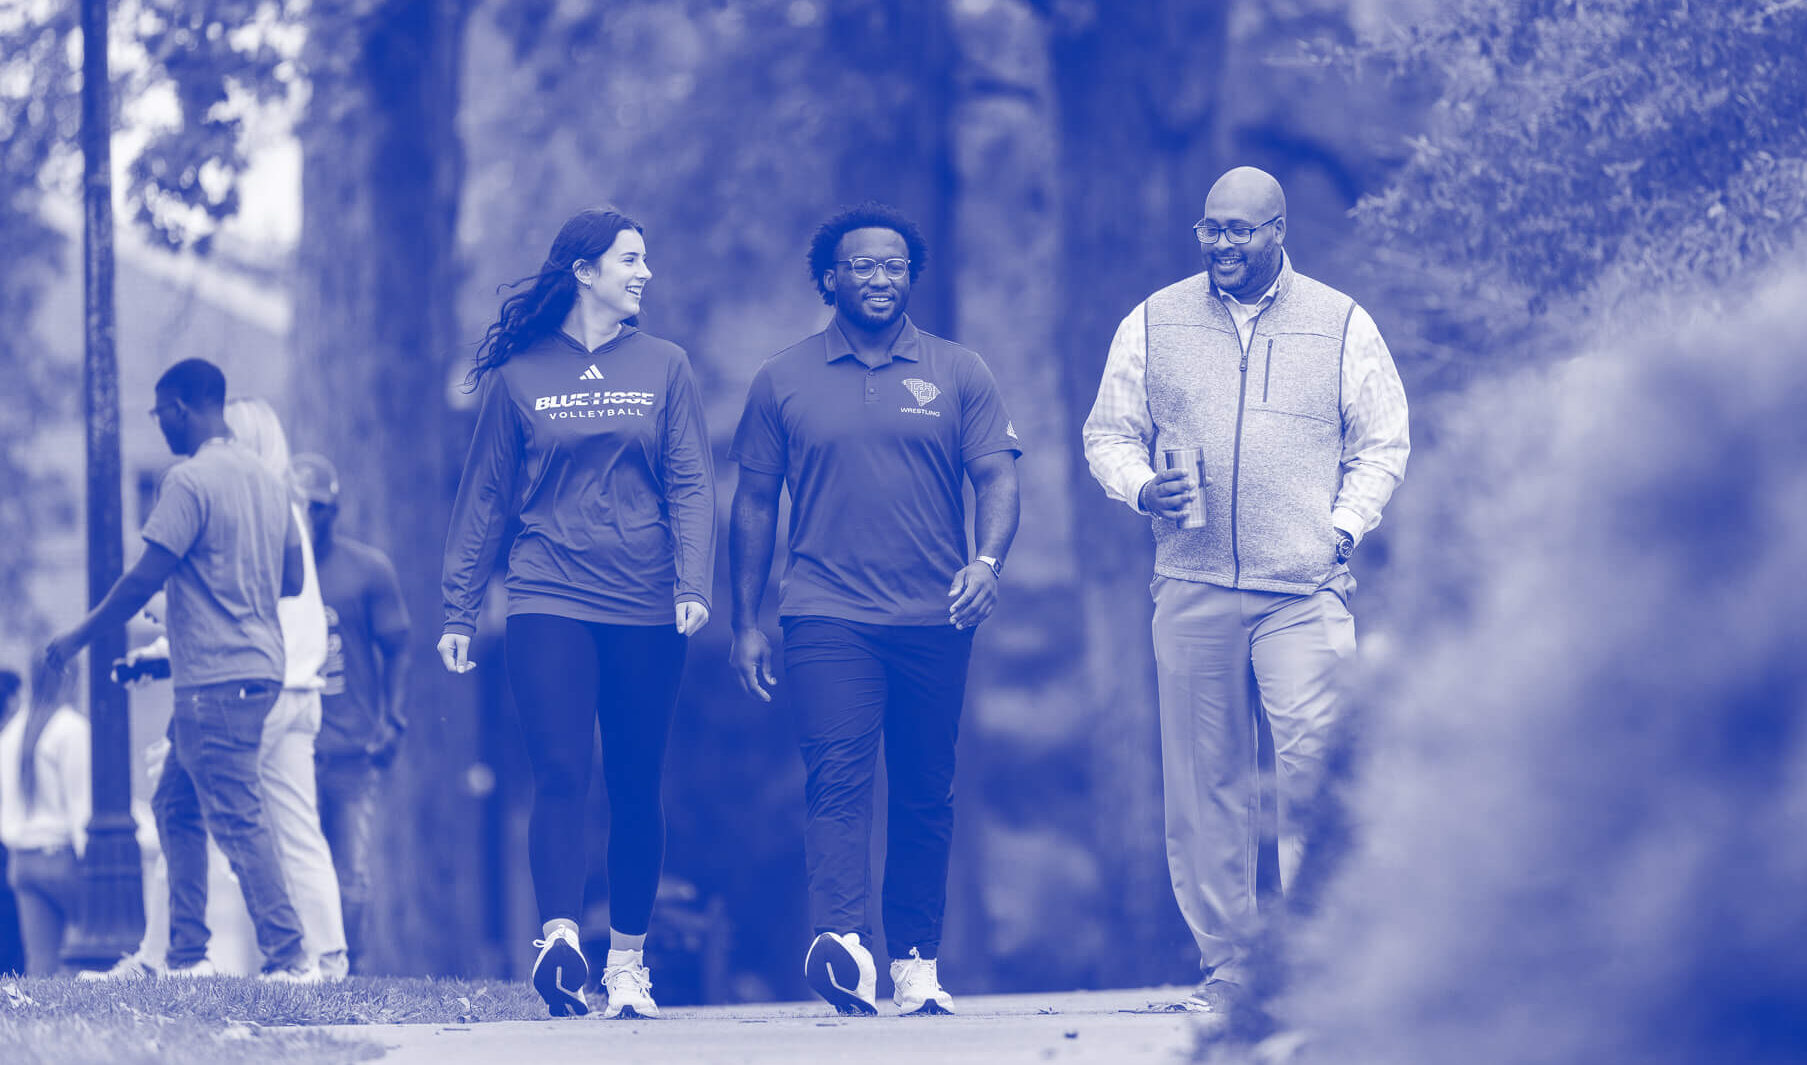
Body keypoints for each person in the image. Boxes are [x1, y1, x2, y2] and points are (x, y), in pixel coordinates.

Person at [1081, 166, 1411, 1012]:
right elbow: (1107, 434)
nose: (1221, 243)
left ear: (1277, 231)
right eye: (1210, 228)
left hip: (1304, 588)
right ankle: (1230, 968)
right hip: (1190, 585)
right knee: (1204, 786)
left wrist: (1341, 529)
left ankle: (1317, 966)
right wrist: (1140, 487)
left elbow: (1383, 442)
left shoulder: (1341, 322)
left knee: (1315, 772)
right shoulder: (1152, 320)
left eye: (1239, 229)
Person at [728, 201, 1021, 1017]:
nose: (880, 278)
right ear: (831, 279)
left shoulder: (959, 370)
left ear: (911, 276)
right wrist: (745, 619)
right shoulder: (782, 377)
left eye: (895, 265)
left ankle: (916, 960)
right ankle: (843, 942)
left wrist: (987, 563)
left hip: (936, 614)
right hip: (825, 612)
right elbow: (753, 502)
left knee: (926, 789)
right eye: (862, 265)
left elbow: (997, 476)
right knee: (838, 777)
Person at [440, 208, 715, 1019]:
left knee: (634, 780)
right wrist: (459, 607)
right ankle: (559, 941)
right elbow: (484, 496)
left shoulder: (666, 365)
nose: (645, 272)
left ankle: (627, 963)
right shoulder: (519, 375)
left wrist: (693, 580)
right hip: (546, 593)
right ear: (583, 272)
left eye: (645, 258)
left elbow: (691, 480)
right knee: (560, 771)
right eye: (631, 259)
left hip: (646, 600)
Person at [41, 357, 318, 982]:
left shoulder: (188, 482)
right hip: (258, 669)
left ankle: (289, 957)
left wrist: (78, 635)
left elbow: (144, 579)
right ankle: (188, 956)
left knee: (238, 818)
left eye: (160, 414)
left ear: (182, 409)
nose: (160, 425)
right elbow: (293, 579)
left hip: (214, 680)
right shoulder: (267, 479)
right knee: (175, 802)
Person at [222, 397, 351, 980]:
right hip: (303, 689)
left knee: (193, 810)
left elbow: (242, 603)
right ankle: (328, 955)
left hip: (263, 688)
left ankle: (176, 954)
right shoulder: (290, 509)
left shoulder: (253, 506)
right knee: (300, 830)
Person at [291, 452, 410, 976]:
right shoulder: (273, 571)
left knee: (350, 870)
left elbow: (398, 647)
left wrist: (393, 720)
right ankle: (298, 964)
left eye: (316, 506)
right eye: (297, 504)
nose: (306, 515)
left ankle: (350, 969)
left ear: (333, 510)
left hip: (351, 746)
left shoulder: (367, 570)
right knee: (293, 862)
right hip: (292, 742)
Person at [0, 665, 89, 975]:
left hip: (21, 862)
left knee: (40, 966)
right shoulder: (71, 728)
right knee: (87, 958)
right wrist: (91, 861)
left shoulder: (11, 731)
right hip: (62, 858)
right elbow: (81, 803)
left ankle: (40, 1011)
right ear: (71, 679)